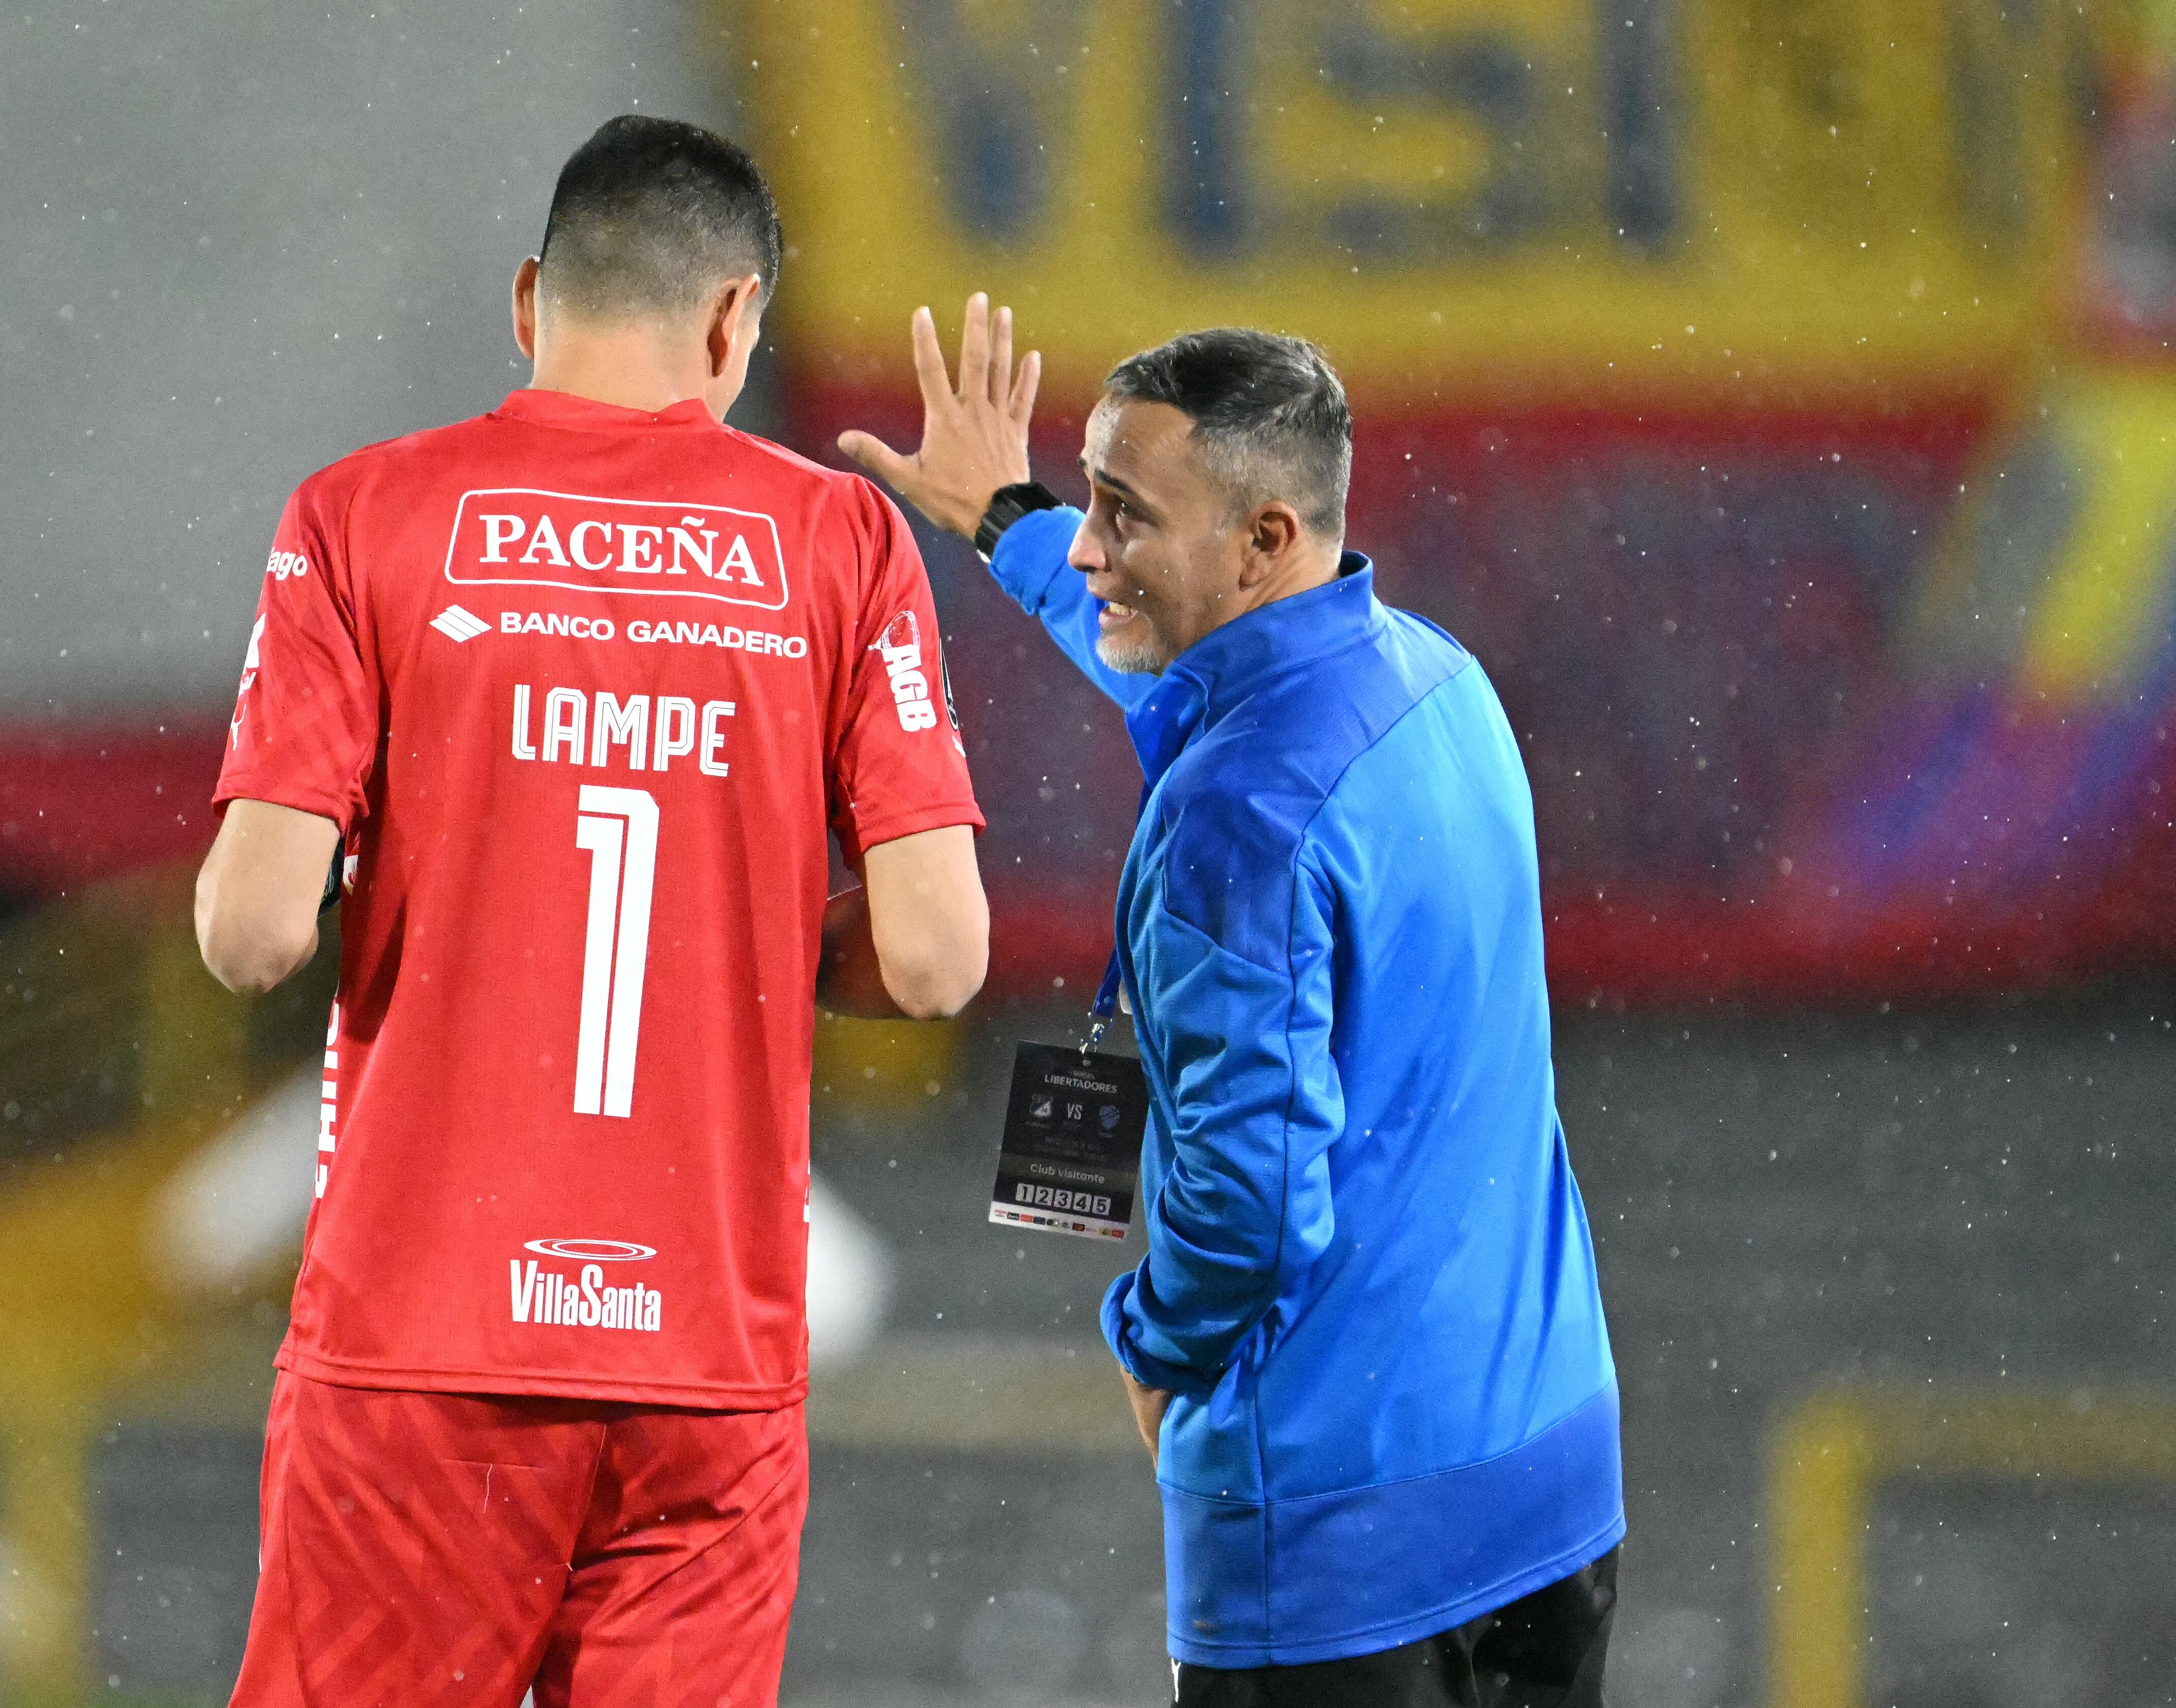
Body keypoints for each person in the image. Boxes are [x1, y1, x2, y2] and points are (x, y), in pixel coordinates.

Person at [192, 117, 990, 1708]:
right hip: (704, 1356)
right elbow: (938, 954)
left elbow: (253, 933)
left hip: (423, 1343)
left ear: (527, 302)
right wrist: (752, 938)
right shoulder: (838, 543)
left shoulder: (364, 517)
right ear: (734, 321)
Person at [841, 299, 1623, 1706]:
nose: (1089, 547)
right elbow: (1180, 685)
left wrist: (1151, 1345)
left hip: (1342, 1547)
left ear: (1264, 541)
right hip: (1547, 1486)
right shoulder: (1431, 680)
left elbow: (1253, 1210)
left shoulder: (1235, 818)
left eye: (1123, 514)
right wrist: (1004, 519)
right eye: (1086, 502)